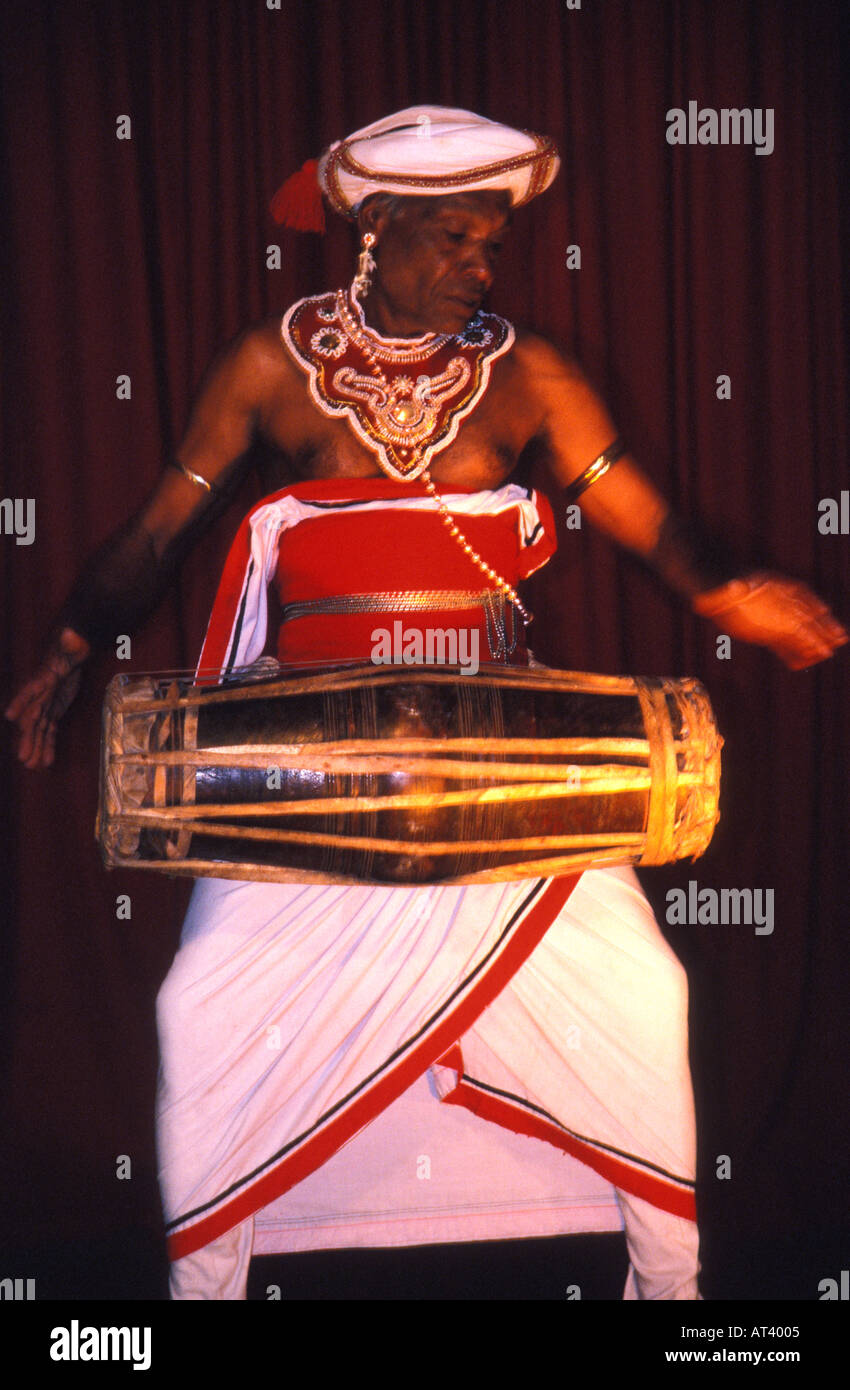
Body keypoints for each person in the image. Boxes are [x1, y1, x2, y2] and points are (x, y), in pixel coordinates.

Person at [6, 106, 846, 1301]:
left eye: (492, 244)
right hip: (307, 777)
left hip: (503, 767)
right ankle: (208, 1287)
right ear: (374, 231)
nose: (480, 267)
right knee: (200, 1010)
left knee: (645, 994)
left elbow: (646, 522)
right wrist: (71, 641)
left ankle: (673, 1295)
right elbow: (157, 530)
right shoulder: (270, 364)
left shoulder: (529, 376)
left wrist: (730, 591)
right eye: (453, 239)